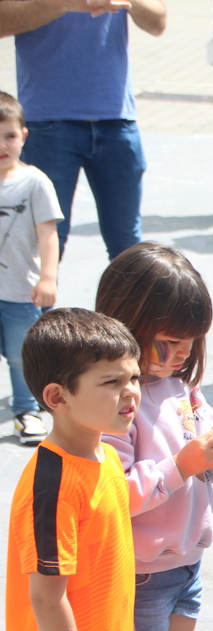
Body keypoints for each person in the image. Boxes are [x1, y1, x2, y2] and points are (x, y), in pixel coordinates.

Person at [94, 243, 213, 631]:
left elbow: (205, 461)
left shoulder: (184, 386)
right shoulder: (114, 402)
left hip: (187, 564)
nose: (183, 353)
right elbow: (116, 495)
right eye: (170, 341)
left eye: (191, 343)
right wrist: (182, 465)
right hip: (142, 572)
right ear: (127, 323)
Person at [6, 307, 144, 631]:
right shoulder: (52, 485)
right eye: (112, 382)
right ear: (57, 398)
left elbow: (113, 570)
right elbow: (47, 598)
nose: (131, 392)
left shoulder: (106, 456)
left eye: (134, 377)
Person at [1, 0, 165, 260]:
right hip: (48, 120)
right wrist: (66, 4)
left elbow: (158, 23)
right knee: (44, 247)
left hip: (116, 119)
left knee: (128, 251)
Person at [0, 91, 60, 445]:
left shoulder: (35, 182)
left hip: (21, 290)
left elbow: (48, 233)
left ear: (23, 135)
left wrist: (48, 277)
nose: (2, 145)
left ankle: (26, 410)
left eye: (9, 135)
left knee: (21, 355)